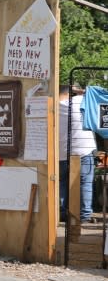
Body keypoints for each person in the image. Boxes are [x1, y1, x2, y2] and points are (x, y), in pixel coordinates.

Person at [59, 85, 97, 224]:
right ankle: (85, 215)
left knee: (61, 183)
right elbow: (101, 94)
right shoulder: (81, 100)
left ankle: (62, 213)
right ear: (73, 92)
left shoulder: (53, 105)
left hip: (61, 152)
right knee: (85, 183)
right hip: (84, 150)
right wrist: (80, 91)